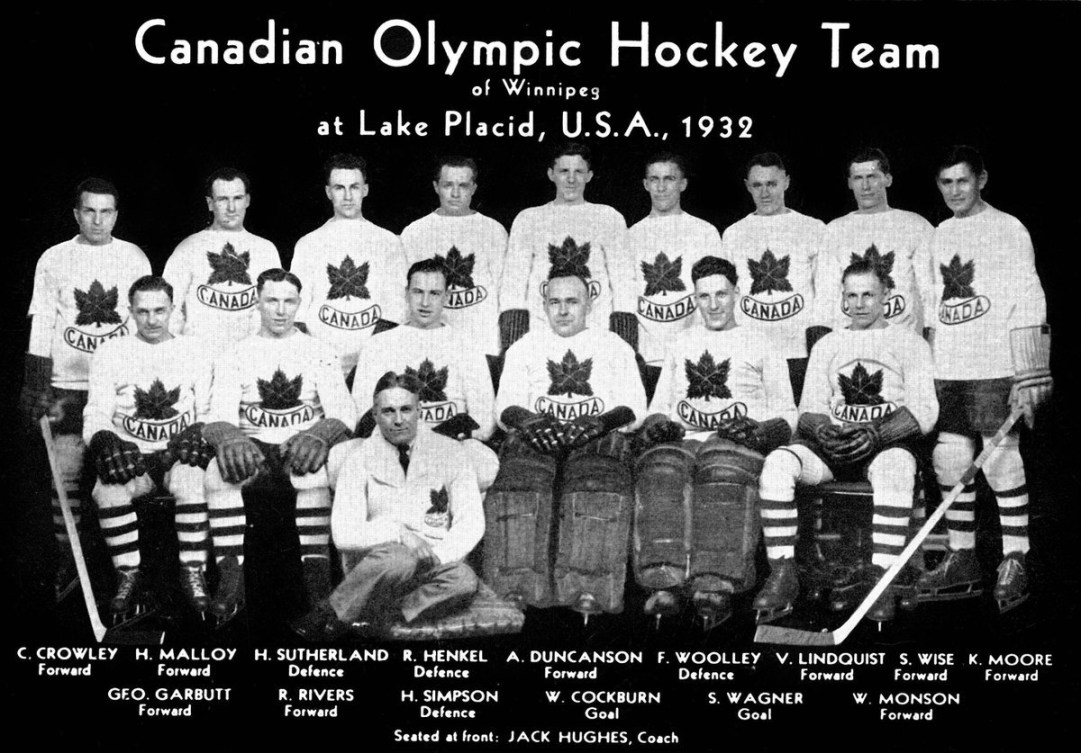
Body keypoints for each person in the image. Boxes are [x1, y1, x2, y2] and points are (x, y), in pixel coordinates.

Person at [753, 259, 938, 624]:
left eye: (868, 294)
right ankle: (783, 570)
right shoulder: (828, 343)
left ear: (887, 295)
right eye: (851, 295)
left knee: (898, 466)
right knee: (777, 463)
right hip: (834, 447)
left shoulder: (909, 342)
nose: (859, 303)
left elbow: (926, 410)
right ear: (842, 299)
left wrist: (878, 433)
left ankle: (881, 577)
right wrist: (822, 430)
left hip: (883, 448)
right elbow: (807, 409)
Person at [918, 146, 1051, 613]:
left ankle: (1015, 557)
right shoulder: (937, 235)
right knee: (950, 459)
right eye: (946, 183)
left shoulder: (1007, 227)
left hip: (995, 364)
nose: (955, 191)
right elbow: (931, 307)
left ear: (981, 180)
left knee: (1000, 459)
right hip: (948, 367)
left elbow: (1029, 296)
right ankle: (963, 557)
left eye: (962, 181)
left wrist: (1031, 369)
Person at [635, 256, 796, 627]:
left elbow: (789, 413)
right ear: (694, 299)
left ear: (737, 293)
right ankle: (664, 579)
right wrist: (659, 424)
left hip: (735, 443)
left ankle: (716, 582)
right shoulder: (681, 342)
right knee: (661, 468)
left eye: (721, 294)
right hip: (687, 437)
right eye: (704, 296)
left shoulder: (762, 342)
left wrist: (760, 431)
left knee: (719, 467)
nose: (713, 304)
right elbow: (659, 406)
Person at [202, 269, 356, 624]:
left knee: (313, 471)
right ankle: (230, 579)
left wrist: (321, 433)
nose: (280, 310)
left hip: (301, 446)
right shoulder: (236, 352)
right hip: (253, 446)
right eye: (272, 300)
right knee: (217, 471)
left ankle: (317, 581)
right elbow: (218, 417)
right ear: (257, 301)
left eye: (289, 301)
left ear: (300, 304)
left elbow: (344, 413)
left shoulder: (318, 350)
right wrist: (230, 437)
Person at [488, 273, 647, 618]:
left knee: (596, 485)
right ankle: (516, 586)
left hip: (596, 438)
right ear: (544, 304)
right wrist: (529, 422)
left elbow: (635, 407)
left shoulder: (614, 345)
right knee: (520, 483)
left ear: (589, 302)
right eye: (554, 302)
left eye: (572, 302)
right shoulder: (525, 346)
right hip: (538, 435)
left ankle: (590, 587)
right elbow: (505, 407)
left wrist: (599, 423)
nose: (562, 311)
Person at [20, 178, 151, 594]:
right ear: (77, 213)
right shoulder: (54, 257)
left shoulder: (132, 256)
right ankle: (69, 561)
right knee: (67, 474)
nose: (98, 219)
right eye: (89, 211)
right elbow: (42, 321)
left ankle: (133, 571)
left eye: (106, 211)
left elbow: (146, 319)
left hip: (120, 388)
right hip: (67, 387)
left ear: (116, 214)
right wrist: (34, 384)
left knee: (127, 475)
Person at [291, 372, 483, 641]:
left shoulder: (451, 452)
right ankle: (329, 614)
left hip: (432, 560)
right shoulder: (358, 458)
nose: (398, 419)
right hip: (379, 567)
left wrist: (439, 555)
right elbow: (343, 535)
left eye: (406, 409)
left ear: (419, 410)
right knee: (399, 558)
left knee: (464, 579)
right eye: (388, 411)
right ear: (376, 413)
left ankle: (381, 615)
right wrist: (400, 534)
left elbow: (471, 521)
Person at [82, 276, 214, 617]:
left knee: (193, 481)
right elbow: (96, 410)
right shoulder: (111, 351)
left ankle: (193, 570)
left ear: (173, 309)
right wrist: (105, 439)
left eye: (159, 310)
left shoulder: (195, 349)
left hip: (178, 453)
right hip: (133, 455)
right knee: (108, 490)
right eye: (142, 312)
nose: (152, 319)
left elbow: (209, 408)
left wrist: (200, 430)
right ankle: (129, 574)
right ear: (130, 312)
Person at [349, 259, 499, 490]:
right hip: (391, 441)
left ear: (447, 296)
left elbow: (484, 422)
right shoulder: (379, 344)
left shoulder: (466, 345)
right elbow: (364, 413)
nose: (425, 302)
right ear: (406, 293)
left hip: (450, 443)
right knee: (343, 459)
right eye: (418, 292)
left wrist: (436, 439)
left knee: (484, 464)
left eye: (435, 293)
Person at [498, 142, 637, 354]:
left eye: (579, 171)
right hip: (542, 334)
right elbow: (513, 284)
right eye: (564, 171)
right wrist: (512, 345)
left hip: (596, 332)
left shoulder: (609, 217)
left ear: (589, 175)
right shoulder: (529, 219)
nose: (571, 179)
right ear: (551, 174)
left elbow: (624, 282)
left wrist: (624, 347)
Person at [291, 153, 409, 377]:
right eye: (339, 188)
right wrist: (316, 361)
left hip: (373, 364)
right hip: (320, 364)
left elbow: (396, 310)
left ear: (365, 189)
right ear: (328, 192)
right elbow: (298, 313)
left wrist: (367, 362)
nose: (347, 196)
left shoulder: (388, 242)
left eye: (354, 187)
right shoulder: (308, 243)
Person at [815, 147, 935, 334]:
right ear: (849, 183)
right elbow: (824, 297)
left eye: (872, 177)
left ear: (888, 179)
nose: (865, 186)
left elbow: (931, 294)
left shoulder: (915, 225)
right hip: (849, 343)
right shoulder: (834, 230)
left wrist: (930, 343)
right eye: (858, 178)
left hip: (901, 341)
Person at [163, 167, 282, 354]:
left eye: (237, 198)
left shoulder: (266, 250)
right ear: (210, 203)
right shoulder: (188, 248)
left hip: (250, 359)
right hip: (200, 358)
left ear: (247, 200)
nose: (231, 208)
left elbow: (276, 309)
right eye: (222, 199)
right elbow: (170, 310)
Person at [720, 152, 824, 361]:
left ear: (786, 182)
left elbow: (825, 294)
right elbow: (725, 294)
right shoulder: (733, 233)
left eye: (772, 184)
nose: (765, 192)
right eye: (757, 185)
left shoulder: (813, 228)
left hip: (799, 353)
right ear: (748, 186)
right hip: (749, 352)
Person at [399, 156, 507, 357]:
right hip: (428, 346)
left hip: (482, 347)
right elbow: (405, 296)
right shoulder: (415, 232)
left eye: (463, 186)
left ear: (474, 188)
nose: (455, 193)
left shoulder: (493, 231)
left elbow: (506, 292)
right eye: (448, 185)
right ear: (436, 186)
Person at [630, 153, 723, 366]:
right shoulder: (631, 235)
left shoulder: (705, 232)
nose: (661, 187)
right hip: (648, 357)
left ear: (683, 184)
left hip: (694, 354)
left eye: (669, 179)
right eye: (654, 179)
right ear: (646, 184)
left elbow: (718, 292)